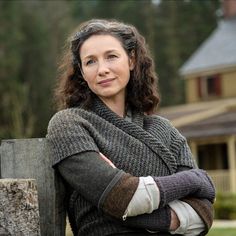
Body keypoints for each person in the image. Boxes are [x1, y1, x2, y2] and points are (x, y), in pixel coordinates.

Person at [47, 19, 215, 236]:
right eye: (90, 62)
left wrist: (128, 203)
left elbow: (203, 215)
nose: (102, 70)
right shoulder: (70, 125)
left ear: (132, 60)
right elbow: (121, 198)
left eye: (111, 56)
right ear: (81, 72)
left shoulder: (164, 130)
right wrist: (194, 180)